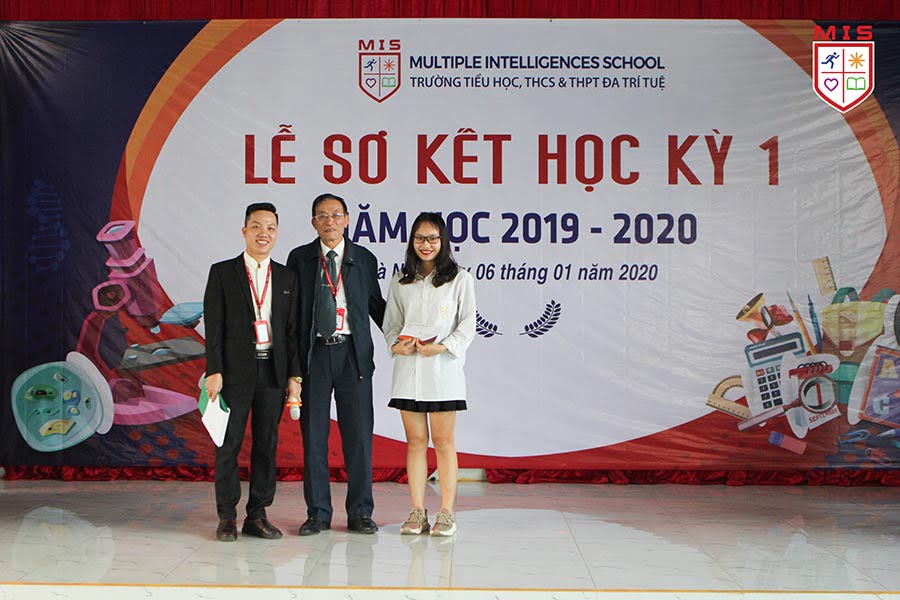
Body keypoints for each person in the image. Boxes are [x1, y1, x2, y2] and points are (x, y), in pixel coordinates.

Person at [286, 192, 386, 535]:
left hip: (352, 356)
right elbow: (292, 316)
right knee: (314, 437)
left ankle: (360, 512)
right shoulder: (299, 258)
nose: (330, 221)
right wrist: (293, 369)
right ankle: (317, 513)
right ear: (313, 222)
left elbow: (376, 305)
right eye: (322, 216)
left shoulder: (364, 258)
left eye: (336, 215)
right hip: (313, 355)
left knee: (358, 437)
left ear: (347, 220)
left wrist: (404, 334)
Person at [203, 202, 302, 542]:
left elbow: (291, 332)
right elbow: (213, 327)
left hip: (272, 373)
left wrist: (294, 377)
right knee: (228, 444)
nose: (264, 233)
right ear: (245, 231)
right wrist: (214, 370)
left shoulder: (287, 277)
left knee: (266, 446)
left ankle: (257, 514)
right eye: (257, 226)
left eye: (271, 227)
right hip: (233, 373)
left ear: (277, 233)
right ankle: (227, 517)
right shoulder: (223, 272)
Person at [383, 212, 476, 537]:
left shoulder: (459, 278)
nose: (426, 244)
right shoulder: (401, 280)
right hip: (408, 371)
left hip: (443, 371)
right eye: (420, 238)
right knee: (415, 442)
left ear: (443, 241)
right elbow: (391, 322)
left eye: (433, 238)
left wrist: (443, 346)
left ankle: (446, 512)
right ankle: (417, 511)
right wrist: (396, 345)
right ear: (412, 241)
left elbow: (468, 324)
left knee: (444, 442)